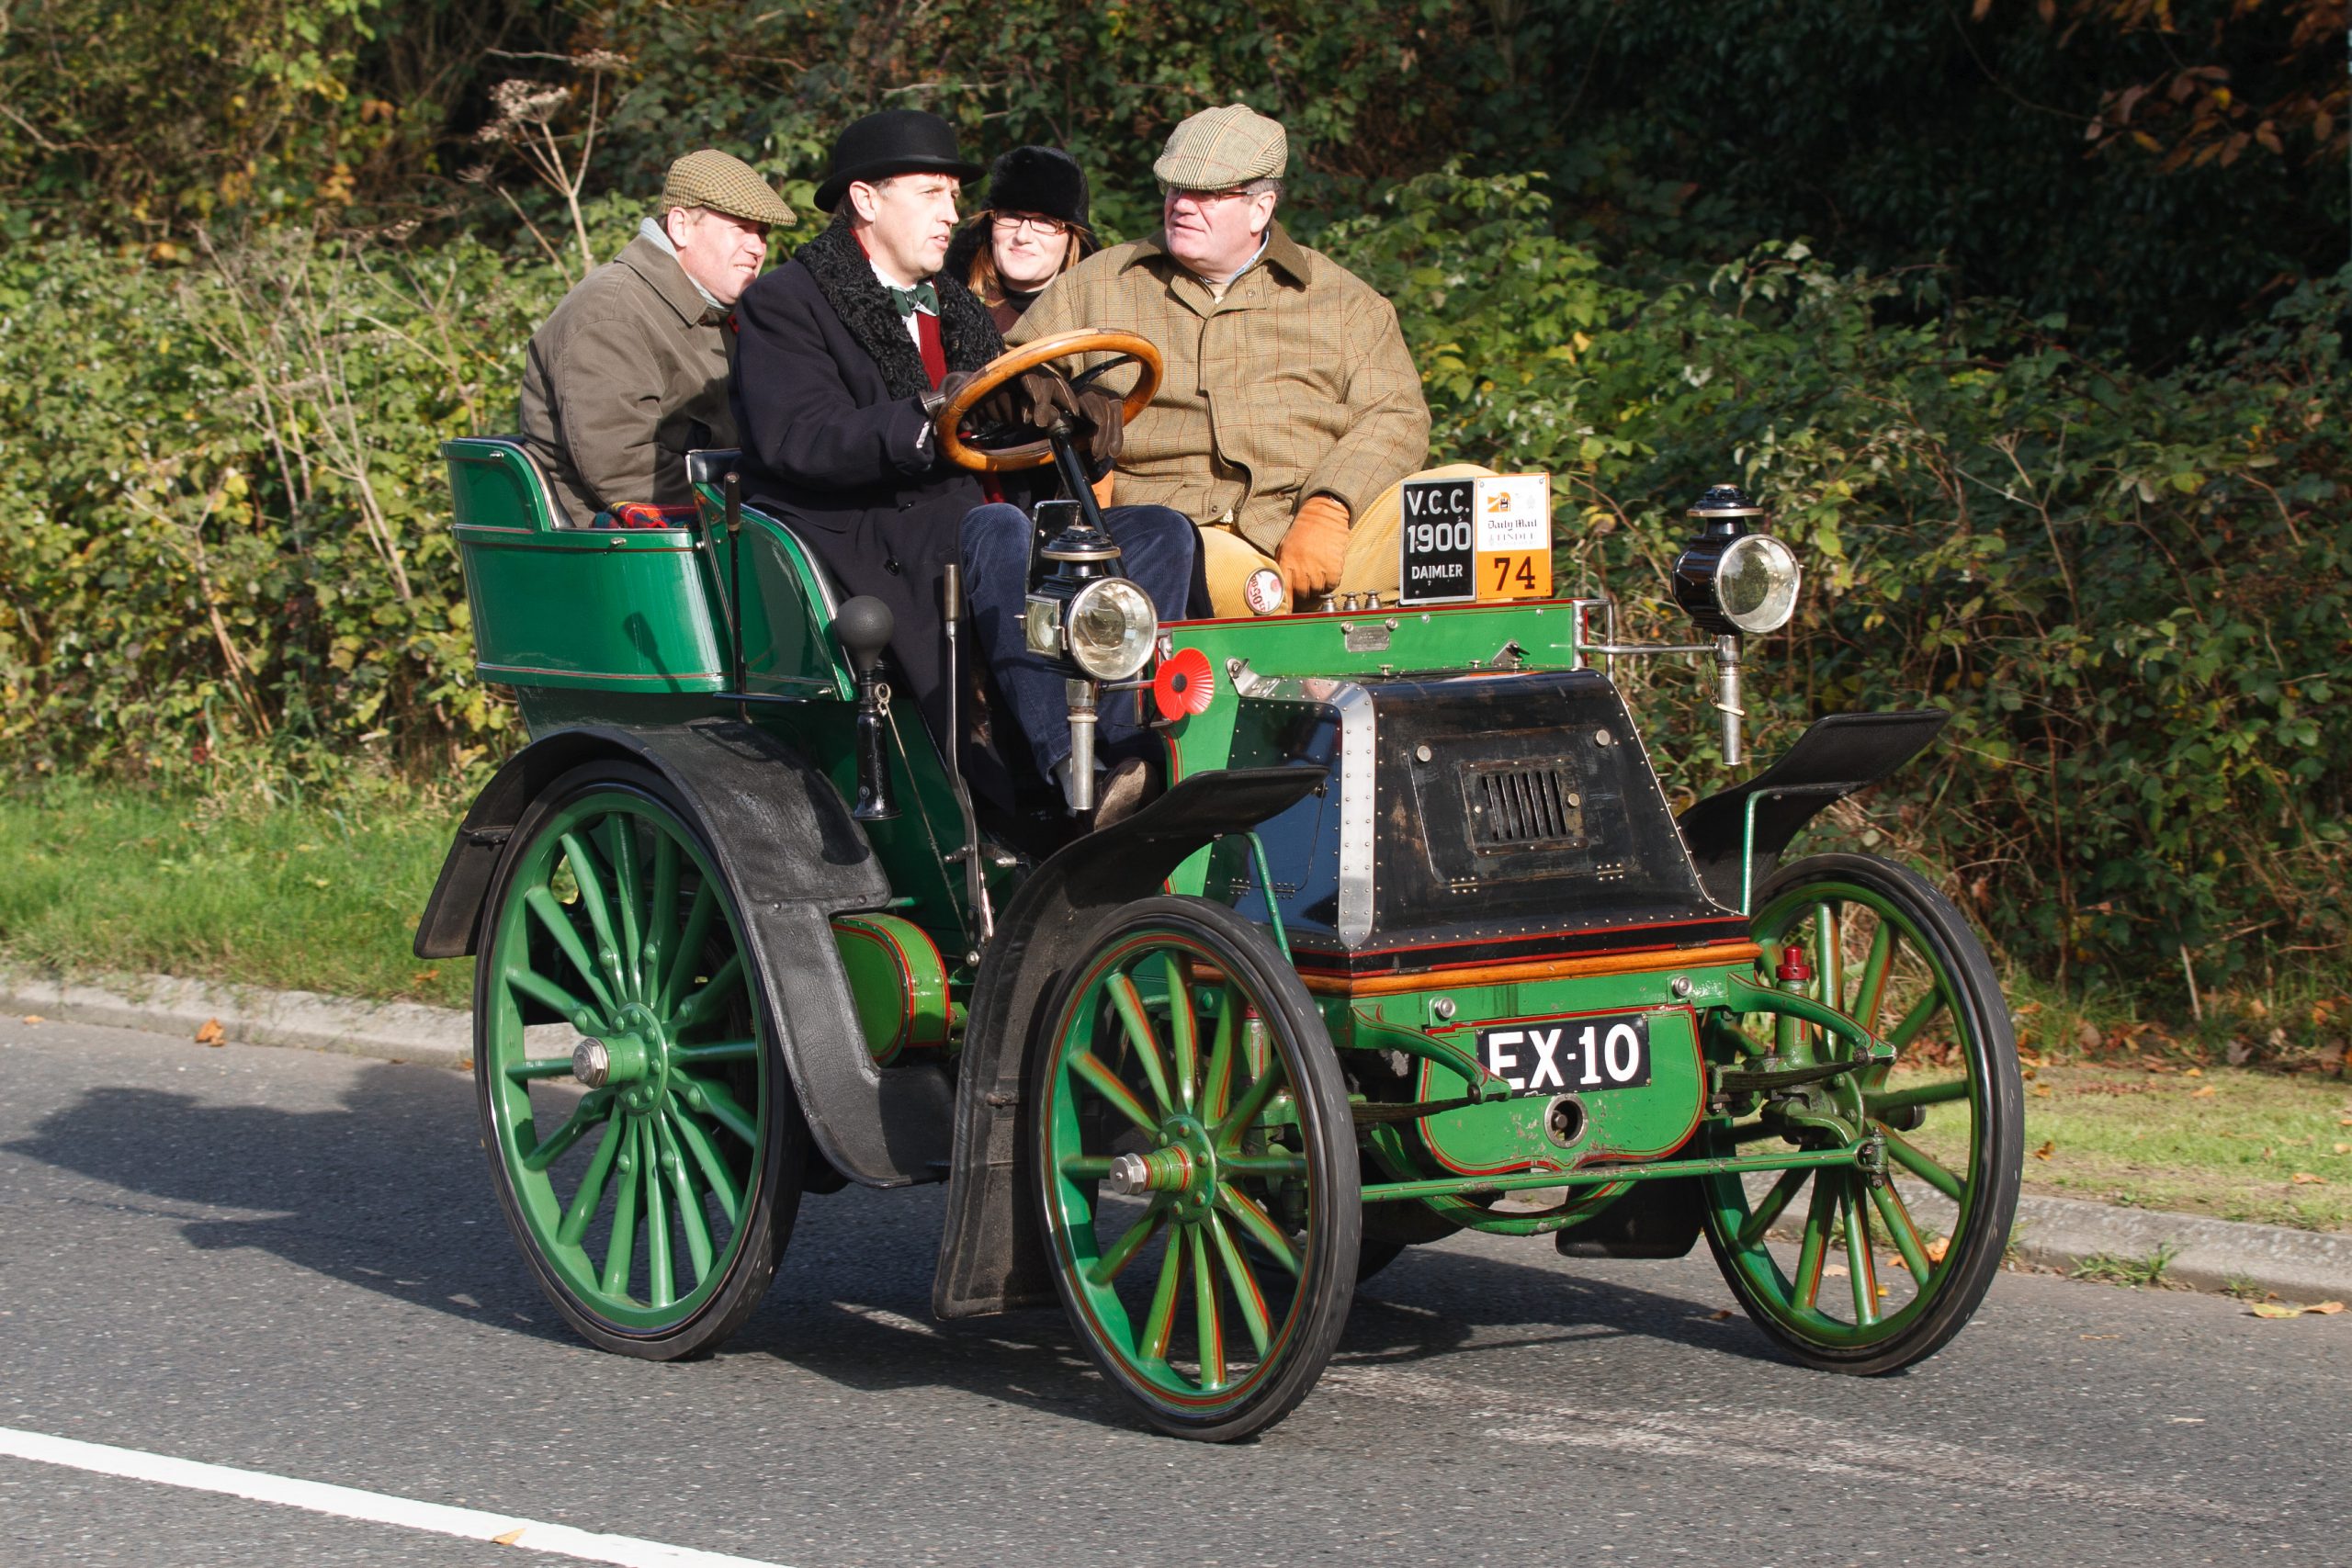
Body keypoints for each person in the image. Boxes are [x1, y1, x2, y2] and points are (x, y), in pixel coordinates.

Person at [729, 109, 1194, 821]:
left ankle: (1133, 749)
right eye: (932, 193)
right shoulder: (786, 302)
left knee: (1163, 530)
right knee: (996, 529)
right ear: (865, 200)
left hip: (985, 522)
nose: (953, 214)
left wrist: (1076, 421)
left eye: (953, 195)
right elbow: (801, 438)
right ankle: (1067, 771)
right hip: (876, 534)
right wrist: (929, 411)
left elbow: (999, 416)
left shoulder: (957, 306)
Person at [1011, 104, 1454, 615]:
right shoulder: (1097, 286)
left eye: (1207, 194)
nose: (1181, 205)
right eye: (1174, 189)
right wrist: (1060, 402)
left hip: (1325, 533)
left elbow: (1397, 413)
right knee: (1250, 586)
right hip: (1182, 533)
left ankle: (1477, 668)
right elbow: (1014, 374)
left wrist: (1331, 505)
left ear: (1260, 208)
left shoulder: (1346, 302)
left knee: (1480, 502)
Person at [519, 150, 794, 524]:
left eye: (762, 233)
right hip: (627, 540)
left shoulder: (718, 313)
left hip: (701, 521)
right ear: (680, 226)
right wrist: (759, 507)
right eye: (741, 228)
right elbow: (625, 469)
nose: (757, 247)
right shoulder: (611, 314)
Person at [942, 145, 1099, 332]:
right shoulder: (944, 310)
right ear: (989, 225)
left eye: (1044, 222)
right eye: (1011, 216)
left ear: (1073, 238)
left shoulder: (1095, 319)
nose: (1022, 236)